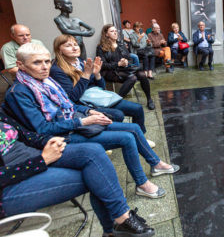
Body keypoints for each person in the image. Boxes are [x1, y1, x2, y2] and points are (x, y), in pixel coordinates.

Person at [2, 43, 179, 200]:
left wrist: (88, 111)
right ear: (20, 65)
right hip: (61, 137)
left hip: (75, 124)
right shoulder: (19, 92)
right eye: (37, 62)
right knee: (126, 137)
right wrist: (84, 121)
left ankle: (156, 165)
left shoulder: (46, 82)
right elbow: (42, 129)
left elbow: (69, 104)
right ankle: (142, 184)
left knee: (132, 127)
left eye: (47, 61)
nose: (44, 67)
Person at [0, 111, 155, 237]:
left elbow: (26, 135)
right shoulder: (19, 93)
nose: (45, 69)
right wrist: (41, 160)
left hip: (35, 154)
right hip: (9, 186)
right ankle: (118, 223)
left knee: (93, 152)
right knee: (98, 177)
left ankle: (116, 224)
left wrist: (48, 141)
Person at [50, 34, 150, 138]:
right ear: (59, 50)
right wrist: (86, 75)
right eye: (68, 45)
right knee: (118, 115)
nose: (75, 47)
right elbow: (72, 98)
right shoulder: (57, 70)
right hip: (84, 104)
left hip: (98, 97)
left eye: (75, 44)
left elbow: (101, 87)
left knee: (137, 108)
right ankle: (106, 137)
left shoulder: (80, 61)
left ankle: (141, 137)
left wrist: (97, 74)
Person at [96, 24, 155, 110]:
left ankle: (149, 99)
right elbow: (103, 65)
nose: (115, 33)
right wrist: (118, 64)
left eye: (116, 31)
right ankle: (116, 102)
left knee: (142, 74)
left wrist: (126, 62)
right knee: (133, 78)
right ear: (106, 34)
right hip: (111, 72)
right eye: (112, 31)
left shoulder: (121, 44)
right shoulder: (101, 48)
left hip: (124, 69)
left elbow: (129, 58)